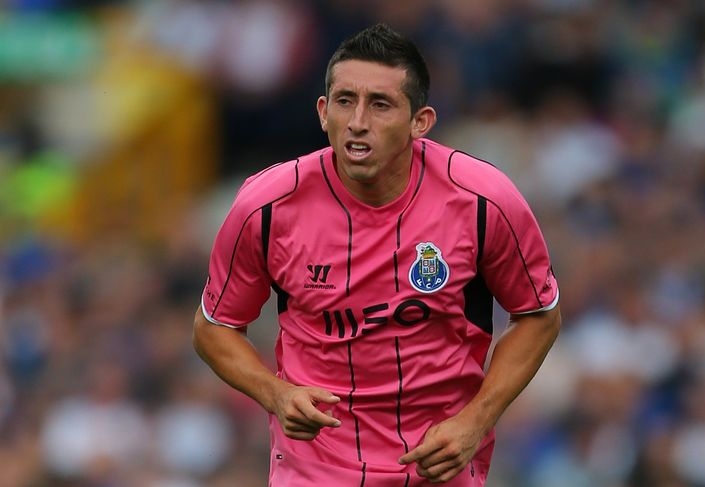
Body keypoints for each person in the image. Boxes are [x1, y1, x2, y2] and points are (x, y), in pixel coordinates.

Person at [193, 23, 561, 486]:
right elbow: (214, 327)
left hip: (437, 468)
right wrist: (276, 394)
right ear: (323, 112)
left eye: (380, 104)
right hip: (315, 470)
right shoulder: (265, 206)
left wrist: (476, 421)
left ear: (420, 121)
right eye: (345, 101)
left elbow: (538, 315)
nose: (358, 121)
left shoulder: (485, 200)